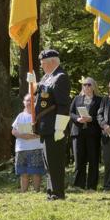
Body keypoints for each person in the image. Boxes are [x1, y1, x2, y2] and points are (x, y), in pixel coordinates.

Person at [27, 49, 71, 200]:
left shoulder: (60, 78)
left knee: (55, 162)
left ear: (52, 62)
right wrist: (32, 83)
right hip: (45, 126)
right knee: (48, 163)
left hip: (54, 126)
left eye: (43, 63)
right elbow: (35, 96)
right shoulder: (47, 78)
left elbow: (63, 105)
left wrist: (60, 127)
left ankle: (58, 193)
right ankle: (51, 191)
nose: (42, 66)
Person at [70, 77, 102, 190]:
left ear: (93, 86)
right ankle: (79, 185)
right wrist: (78, 119)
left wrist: (91, 119)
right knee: (79, 160)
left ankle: (92, 186)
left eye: (89, 84)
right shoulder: (77, 99)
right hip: (78, 133)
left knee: (93, 160)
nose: (86, 87)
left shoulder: (99, 100)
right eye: (84, 85)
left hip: (93, 134)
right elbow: (71, 113)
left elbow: (101, 116)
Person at [11, 94, 46, 192]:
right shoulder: (20, 116)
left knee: (36, 172)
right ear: (23, 102)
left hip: (36, 147)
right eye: (27, 100)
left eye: (32, 101)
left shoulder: (39, 116)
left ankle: (36, 191)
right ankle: (24, 192)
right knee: (23, 172)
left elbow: (44, 132)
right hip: (21, 148)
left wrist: (33, 136)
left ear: (36, 103)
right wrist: (23, 136)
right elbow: (13, 131)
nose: (29, 103)